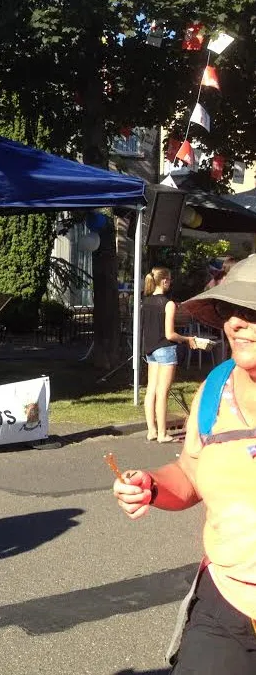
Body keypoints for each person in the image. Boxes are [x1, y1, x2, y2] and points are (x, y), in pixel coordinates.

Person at [112, 256, 256, 674]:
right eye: (232, 311)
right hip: (225, 607)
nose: (237, 324)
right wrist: (151, 485)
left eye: (253, 312)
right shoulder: (215, 389)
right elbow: (191, 473)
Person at [141, 267, 196, 443]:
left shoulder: (146, 301)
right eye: (170, 279)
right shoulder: (168, 303)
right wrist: (187, 339)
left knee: (151, 390)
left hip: (150, 349)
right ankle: (163, 433)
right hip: (165, 348)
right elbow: (170, 334)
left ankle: (152, 430)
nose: (170, 282)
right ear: (164, 281)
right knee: (163, 392)